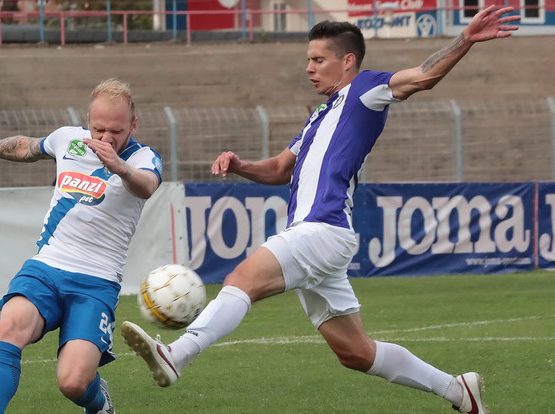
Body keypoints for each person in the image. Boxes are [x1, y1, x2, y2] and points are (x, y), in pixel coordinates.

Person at [121, 6, 519, 414]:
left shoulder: (365, 88)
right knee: (356, 353)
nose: (309, 68)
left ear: (347, 61)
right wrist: (241, 165)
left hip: (321, 229)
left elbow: (423, 76)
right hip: (320, 236)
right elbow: (279, 169)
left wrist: (465, 39)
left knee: (243, 279)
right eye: (308, 60)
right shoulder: (318, 118)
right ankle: (458, 391)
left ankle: (178, 353)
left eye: (318, 60)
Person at [0, 78, 163, 414]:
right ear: (87, 120)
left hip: (96, 282)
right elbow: (27, 146)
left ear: (133, 125)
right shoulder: (70, 139)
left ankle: (99, 400)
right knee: (10, 325)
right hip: (47, 267)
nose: (105, 138)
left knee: (73, 382)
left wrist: (119, 167)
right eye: (99, 128)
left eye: (116, 131)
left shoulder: (143, 157)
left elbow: (147, 186)